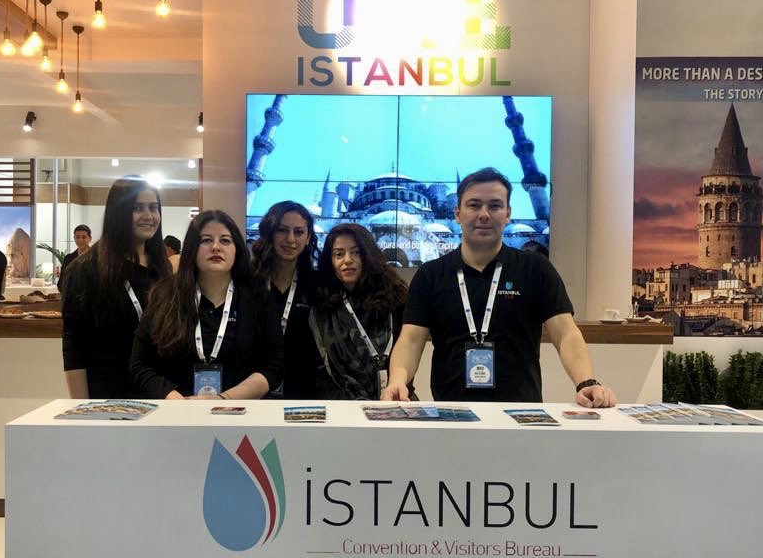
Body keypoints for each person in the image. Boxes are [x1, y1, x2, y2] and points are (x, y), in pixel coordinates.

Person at [383, 167, 617, 407]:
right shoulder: (431, 275)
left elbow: (565, 333)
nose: (484, 214)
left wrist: (586, 382)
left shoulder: (536, 269)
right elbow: (411, 339)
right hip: (451, 412)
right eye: (474, 205)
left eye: (494, 206)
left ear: (507, 214)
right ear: (457, 213)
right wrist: (398, 381)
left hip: (520, 413)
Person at [130, 210, 283, 399]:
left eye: (225, 240)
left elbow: (274, 365)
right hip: (177, 411)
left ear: (237, 249)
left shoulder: (259, 298)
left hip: (240, 411)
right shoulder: (165, 295)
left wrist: (224, 400)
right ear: (192, 248)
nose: (216, 247)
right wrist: (175, 400)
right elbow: (139, 364)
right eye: (206, 240)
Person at [62, 177, 171, 398]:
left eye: (153, 207)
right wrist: (81, 405)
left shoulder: (161, 266)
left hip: (160, 390)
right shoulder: (86, 269)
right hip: (109, 394)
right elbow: (74, 343)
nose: (148, 216)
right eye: (137, 208)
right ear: (118, 212)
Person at [310, 223, 409, 400]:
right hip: (340, 404)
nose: (348, 260)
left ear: (368, 255)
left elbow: (407, 352)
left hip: (395, 399)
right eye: (339, 254)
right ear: (330, 261)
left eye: (356, 252)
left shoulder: (395, 298)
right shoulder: (322, 306)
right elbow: (320, 370)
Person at [250, 200, 319, 398]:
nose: (290, 239)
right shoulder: (248, 282)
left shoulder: (317, 285)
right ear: (270, 233)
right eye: (282, 230)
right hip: (253, 390)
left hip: (305, 393)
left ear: (308, 238)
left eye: (299, 232)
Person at [57, 225, 92, 292]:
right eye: (77, 237)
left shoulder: (97, 257)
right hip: (72, 296)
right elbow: (61, 283)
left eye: (84, 237)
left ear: (90, 238)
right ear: (74, 238)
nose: (80, 240)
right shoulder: (68, 258)